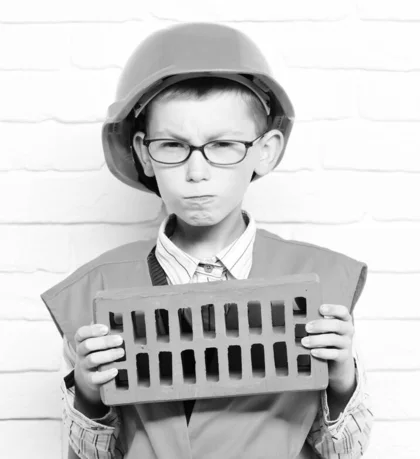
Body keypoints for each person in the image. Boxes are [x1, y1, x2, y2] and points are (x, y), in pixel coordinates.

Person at [41, 22, 373, 459]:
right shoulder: (92, 296)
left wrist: (342, 379)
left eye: (222, 145)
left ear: (265, 149)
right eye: (173, 145)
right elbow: (90, 456)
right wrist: (87, 392)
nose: (197, 171)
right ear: (143, 152)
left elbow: (345, 451)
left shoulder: (323, 286)